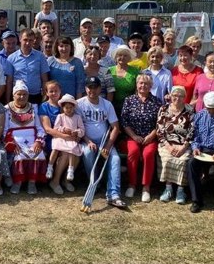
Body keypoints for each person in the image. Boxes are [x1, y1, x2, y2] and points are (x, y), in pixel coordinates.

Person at [77, 77, 127, 209]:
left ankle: (113, 195)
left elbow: (115, 127)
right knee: (87, 153)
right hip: (87, 140)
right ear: (86, 89)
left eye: (95, 87)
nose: (92, 90)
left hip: (105, 141)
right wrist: (88, 141)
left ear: (100, 89)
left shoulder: (107, 104)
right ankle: (94, 183)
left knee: (115, 159)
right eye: (89, 87)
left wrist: (108, 146)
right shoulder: (79, 104)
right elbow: (77, 127)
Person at [121, 73, 163, 202]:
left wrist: (151, 136)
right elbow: (124, 121)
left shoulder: (157, 101)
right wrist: (134, 136)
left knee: (148, 154)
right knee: (133, 152)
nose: (143, 85)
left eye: (146, 83)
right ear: (137, 85)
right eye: (140, 83)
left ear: (151, 86)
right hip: (132, 136)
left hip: (150, 137)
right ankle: (132, 184)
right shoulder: (129, 100)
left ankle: (146, 187)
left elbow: (160, 122)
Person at [4, 80, 47, 195]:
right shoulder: (7, 109)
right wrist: (12, 143)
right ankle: (18, 182)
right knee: (19, 156)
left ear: (28, 95)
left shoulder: (34, 108)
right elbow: (5, 130)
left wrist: (38, 142)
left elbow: (40, 128)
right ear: (14, 95)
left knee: (38, 154)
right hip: (16, 141)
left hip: (32, 140)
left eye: (24, 94)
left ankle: (31, 183)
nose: (22, 96)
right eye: (19, 94)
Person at [156, 86, 194, 205]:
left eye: (180, 96)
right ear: (171, 96)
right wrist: (168, 146)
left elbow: (192, 130)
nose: (177, 98)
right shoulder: (163, 108)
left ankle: (180, 190)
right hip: (166, 143)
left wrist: (183, 147)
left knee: (183, 161)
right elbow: (159, 130)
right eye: (174, 96)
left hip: (184, 144)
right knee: (167, 159)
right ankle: (168, 189)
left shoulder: (190, 110)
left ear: (184, 97)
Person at [4, 29, 49, 104]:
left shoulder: (40, 56)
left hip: (35, 96)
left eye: (31, 40)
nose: (28, 43)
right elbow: (9, 81)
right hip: (18, 97)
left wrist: (44, 98)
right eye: (25, 40)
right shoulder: (11, 58)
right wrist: (8, 100)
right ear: (20, 39)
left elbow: (44, 79)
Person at [109, 46, 140, 115]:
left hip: (130, 107)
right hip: (112, 106)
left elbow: (137, 90)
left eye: (125, 55)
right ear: (116, 57)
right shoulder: (109, 70)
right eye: (120, 55)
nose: (122, 57)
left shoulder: (135, 71)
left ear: (129, 58)